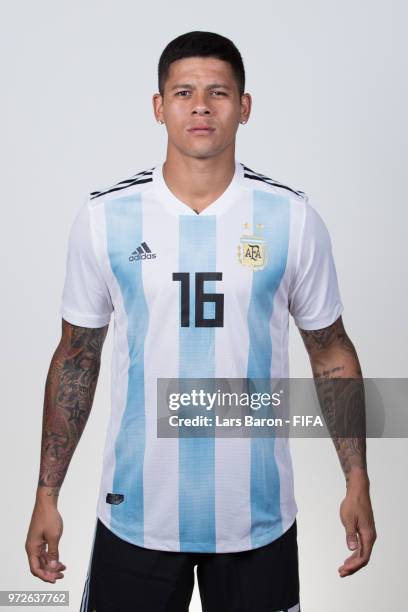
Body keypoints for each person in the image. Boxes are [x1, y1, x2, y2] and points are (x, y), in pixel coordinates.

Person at [25, 31, 377, 612]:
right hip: (135, 513)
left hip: (256, 517)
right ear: (159, 107)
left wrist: (357, 480)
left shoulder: (290, 219)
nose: (201, 106)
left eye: (219, 92)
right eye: (183, 92)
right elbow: (76, 358)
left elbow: (331, 351)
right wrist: (47, 493)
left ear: (244, 107)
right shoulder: (105, 219)